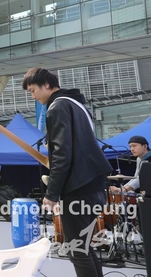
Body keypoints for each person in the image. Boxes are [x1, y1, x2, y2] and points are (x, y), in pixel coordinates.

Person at [23, 67, 112, 277]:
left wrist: (52, 193)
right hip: (93, 184)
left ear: (47, 85)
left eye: (33, 90)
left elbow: (62, 153)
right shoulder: (76, 104)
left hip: (78, 187)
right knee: (84, 247)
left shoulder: (57, 107)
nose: (33, 97)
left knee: (77, 249)